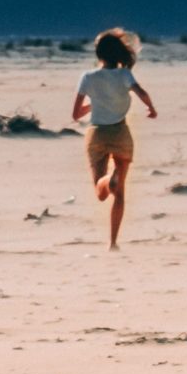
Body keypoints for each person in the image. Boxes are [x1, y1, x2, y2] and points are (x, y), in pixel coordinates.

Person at [71, 27, 157, 249]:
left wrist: (96, 102)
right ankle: (113, 243)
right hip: (121, 133)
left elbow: (76, 114)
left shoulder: (88, 77)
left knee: (101, 191)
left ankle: (107, 180)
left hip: (97, 133)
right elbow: (141, 92)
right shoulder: (124, 74)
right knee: (120, 194)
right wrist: (151, 108)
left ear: (98, 53)